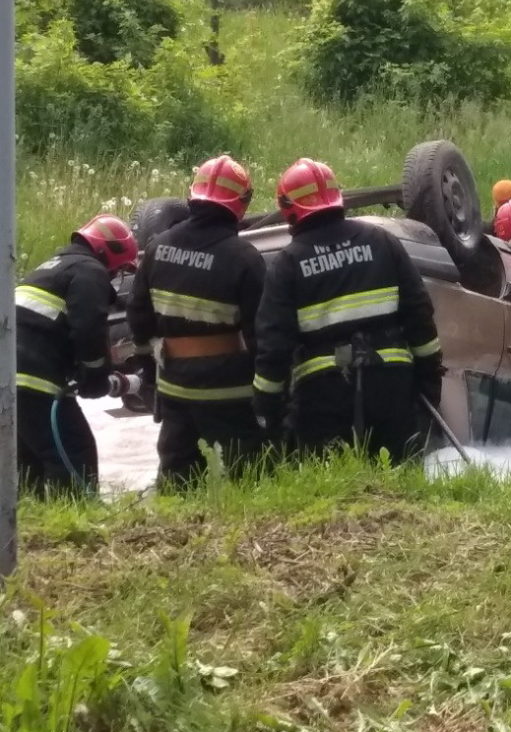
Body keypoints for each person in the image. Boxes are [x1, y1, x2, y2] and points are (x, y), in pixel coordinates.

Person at [252, 157, 442, 462]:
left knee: (328, 493)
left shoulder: (288, 263)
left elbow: (273, 346)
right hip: (391, 386)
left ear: (288, 208)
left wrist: (266, 409)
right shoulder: (383, 242)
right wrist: (429, 381)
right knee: (401, 483)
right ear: (337, 197)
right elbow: (420, 316)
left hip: (323, 396)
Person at [127, 155, 267, 485]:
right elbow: (261, 333)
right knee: (247, 476)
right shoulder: (245, 258)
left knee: (177, 474)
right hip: (228, 390)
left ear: (193, 195)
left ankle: (175, 534)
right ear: (241, 204)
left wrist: (148, 372)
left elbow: (138, 317)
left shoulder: (158, 247)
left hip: (175, 385)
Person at [16, 215, 138, 495]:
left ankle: (35, 526)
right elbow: (88, 329)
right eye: (117, 270)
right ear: (110, 255)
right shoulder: (89, 271)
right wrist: (96, 375)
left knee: (28, 460)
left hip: (12, 379)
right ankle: (76, 524)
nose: (113, 276)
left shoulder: (51, 268)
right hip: (35, 380)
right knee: (74, 452)